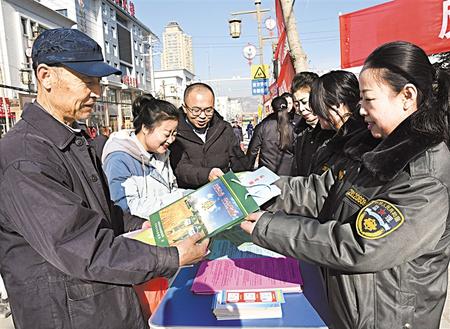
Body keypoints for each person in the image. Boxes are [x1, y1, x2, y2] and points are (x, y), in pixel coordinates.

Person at [0, 28, 208, 329]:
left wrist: (140, 224)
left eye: (98, 81)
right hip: (69, 315)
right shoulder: (25, 157)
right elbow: (83, 246)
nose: (97, 92)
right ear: (45, 77)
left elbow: (100, 215)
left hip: (105, 303)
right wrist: (171, 257)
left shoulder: (72, 139)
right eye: (87, 81)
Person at [241, 41, 450, 329]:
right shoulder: (374, 147)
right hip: (349, 307)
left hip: (386, 319)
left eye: (368, 99)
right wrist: (250, 189)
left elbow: (359, 245)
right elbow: (319, 191)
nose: (360, 110)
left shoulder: (424, 176)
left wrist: (267, 226)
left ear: (407, 96)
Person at [103, 94, 186, 219]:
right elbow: (124, 208)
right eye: (167, 134)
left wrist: (187, 196)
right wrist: (178, 200)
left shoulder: (161, 153)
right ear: (146, 128)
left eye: (174, 134)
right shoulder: (119, 159)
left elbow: (170, 189)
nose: (171, 140)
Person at [170, 82, 249, 189]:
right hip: (191, 194)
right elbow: (180, 167)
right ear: (185, 108)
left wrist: (248, 178)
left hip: (223, 191)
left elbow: (238, 159)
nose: (202, 116)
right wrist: (206, 174)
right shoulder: (175, 132)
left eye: (208, 110)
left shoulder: (224, 128)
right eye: (196, 110)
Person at [308, 70, 373, 175]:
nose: (316, 114)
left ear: (338, 103)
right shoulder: (327, 140)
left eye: (319, 107)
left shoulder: (363, 147)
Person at [291, 71, 335, 176]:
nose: (301, 109)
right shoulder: (301, 133)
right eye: (297, 104)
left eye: (304, 102)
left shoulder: (333, 132)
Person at [246, 96, 299, 175]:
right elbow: (299, 153)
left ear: (272, 109)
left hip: (266, 175)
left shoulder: (262, 127)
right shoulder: (294, 128)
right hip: (288, 177)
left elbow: (252, 152)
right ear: (287, 108)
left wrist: (248, 170)